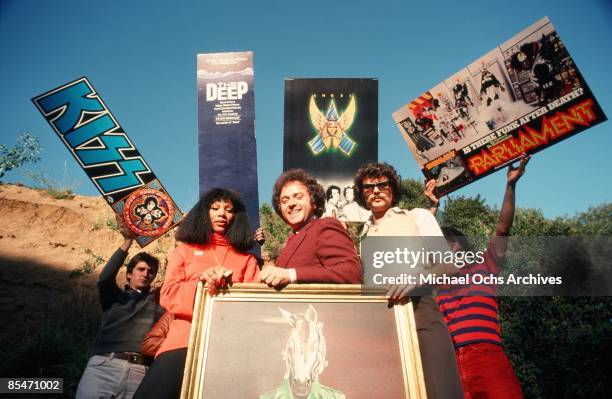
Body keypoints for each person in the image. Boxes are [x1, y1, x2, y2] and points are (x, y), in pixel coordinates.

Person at [133, 188, 260, 399]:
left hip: (227, 346)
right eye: (215, 208)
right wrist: (201, 281)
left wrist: (229, 291)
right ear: (204, 212)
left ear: (236, 217)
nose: (222, 214)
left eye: (229, 210)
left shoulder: (247, 260)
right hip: (182, 341)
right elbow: (168, 295)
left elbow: (253, 309)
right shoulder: (184, 251)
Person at [353, 162, 464, 399]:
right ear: (361, 194)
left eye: (382, 185)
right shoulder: (362, 236)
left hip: (421, 314)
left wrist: (415, 279)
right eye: (368, 187)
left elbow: (448, 263)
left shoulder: (417, 216)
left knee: (440, 390)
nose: (375, 190)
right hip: (382, 325)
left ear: (392, 189)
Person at [430, 155, 530, 399]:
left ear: (458, 246)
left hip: (486, 355)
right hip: (451, 361)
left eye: (446, 244)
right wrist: (432, 207)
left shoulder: (485, 267)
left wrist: (510, 185)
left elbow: (503, 227)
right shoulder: (436, 280)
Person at [76, 215, 164, 399]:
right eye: (141, 269)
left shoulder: (159, 300)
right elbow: (105, 278)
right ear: (129, 274)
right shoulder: (114, 297)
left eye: (151, 272)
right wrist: (127, 241)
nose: (146, 274)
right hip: (104, 366)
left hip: (140, 372)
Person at [260, 169, 362, 287]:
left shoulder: (325, 226)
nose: (291, 204)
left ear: (313, 202)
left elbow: (351, 273)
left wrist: (291, 275)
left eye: (298, 197)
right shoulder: (293, 237)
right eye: (284, 200)